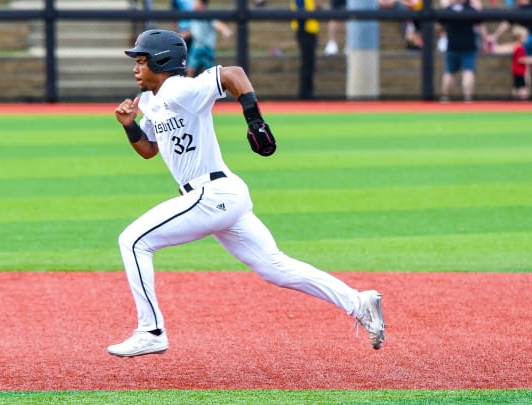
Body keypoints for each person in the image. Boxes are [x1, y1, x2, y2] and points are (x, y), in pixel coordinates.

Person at [108, 29, 386, 358]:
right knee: (275, 267)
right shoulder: (153, 101)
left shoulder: (180, 88)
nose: (135, 68)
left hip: (211, 193)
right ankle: (359, 302)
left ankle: (150, 331)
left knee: (134, 241)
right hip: (222, 195)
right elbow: (149, 150)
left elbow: (234, 74)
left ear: (161, 61)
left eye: (141, 60)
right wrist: (130, 125)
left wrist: (254, 120)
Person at [438, 0, 486, 102]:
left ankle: (445, 98)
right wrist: (485, 40)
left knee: (449, 72)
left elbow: (439, 25)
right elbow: (480, 23)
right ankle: (468, 99)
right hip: (467, 46)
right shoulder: (471, 9)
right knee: (468, 71)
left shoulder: (448, 9)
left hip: (453, 45)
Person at [187, 0, 233, 77]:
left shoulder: (207, 15)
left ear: (202, 4)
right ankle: (188, 87)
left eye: (196, 2)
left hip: (207, 48)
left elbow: (217, 23)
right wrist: (181, 35)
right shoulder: (194, 15)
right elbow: (193, 30)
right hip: (196, 47)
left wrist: (225, 29)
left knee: (209, 72)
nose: (193, 4)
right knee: (190, 70)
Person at [290, 0, 320, 100]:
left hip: (311, 30)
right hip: (305, 31)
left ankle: (308, 92)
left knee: (310, 63)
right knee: (307, 63)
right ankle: (305, 93)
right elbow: (301, 12)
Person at [509, 26, 532, 100]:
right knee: (522, 88)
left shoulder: (518, 47)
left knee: (516, 87)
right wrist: (529, 60)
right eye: (525, 37)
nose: (526, 39)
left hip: (517, 71)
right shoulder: (519, 48)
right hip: (519, 72)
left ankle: (516, 102)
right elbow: (520, 60)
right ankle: (523, 103)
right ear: (519, 38)